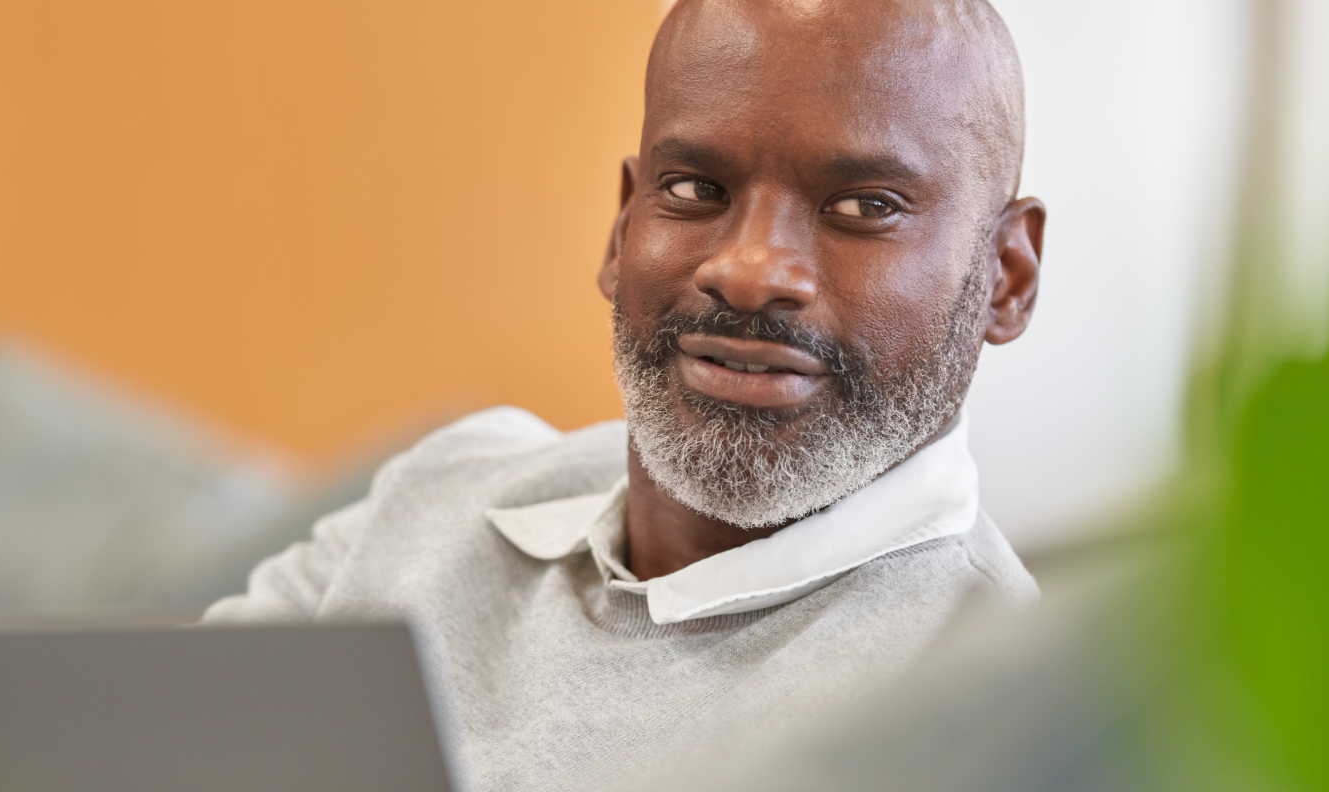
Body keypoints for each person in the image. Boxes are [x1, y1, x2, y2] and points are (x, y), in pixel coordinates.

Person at [204, 0, 1048, 789]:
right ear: (622, 228)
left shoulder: (998, 706)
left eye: (864, 206)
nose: (748, 271)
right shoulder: (446, 491)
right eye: (694, 190)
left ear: (1005, 278)